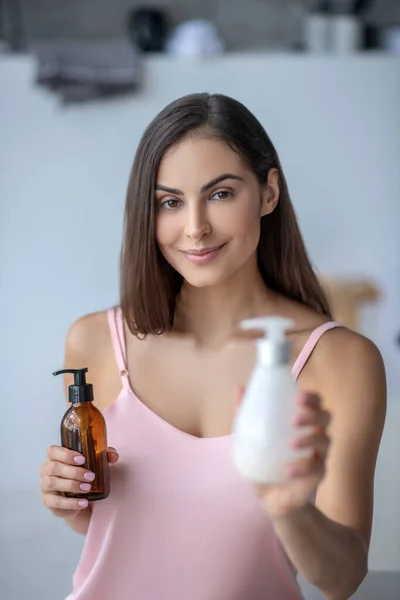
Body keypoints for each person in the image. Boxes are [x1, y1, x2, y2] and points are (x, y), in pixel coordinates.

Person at [39, 93, 386, 600]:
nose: (195, 227)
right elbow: (115, 533)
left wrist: (289, 508)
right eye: (170, 202)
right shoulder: (94, 341)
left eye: (220, 194)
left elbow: (343, 578)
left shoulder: (339, 361)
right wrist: (70, 504)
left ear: (269, 192)